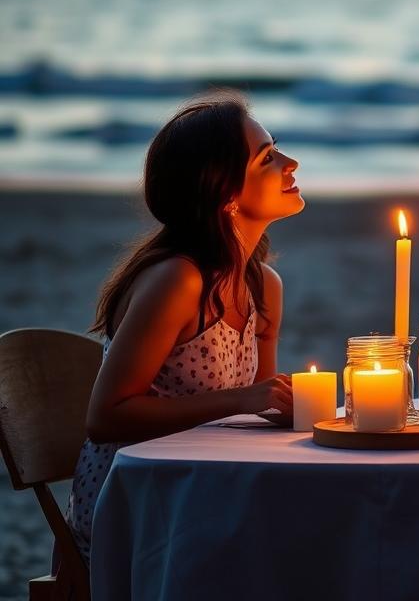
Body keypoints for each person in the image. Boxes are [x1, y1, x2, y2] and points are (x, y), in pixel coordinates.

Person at [66, 93, 300, 564]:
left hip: (203, 485)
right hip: (137, 503)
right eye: (268, 158)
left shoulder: (262, 286)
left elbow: (257, 410)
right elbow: (106, 417)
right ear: (226, 194)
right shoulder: (179, 279)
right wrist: (241, 400)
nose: (291, 163)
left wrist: (293, 405)